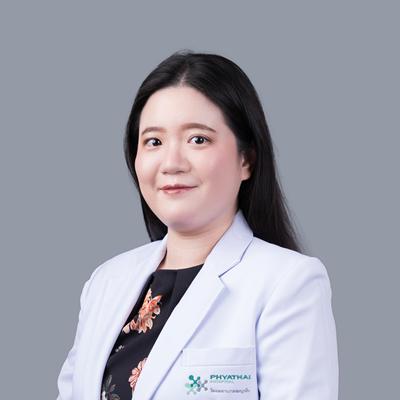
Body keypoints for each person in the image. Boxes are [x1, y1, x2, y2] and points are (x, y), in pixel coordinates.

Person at [56, 50, 339, 400]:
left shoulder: (288, 283)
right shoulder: (105, 282)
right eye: (154, 142)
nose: (171, 163)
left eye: (198, 139)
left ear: (246, 159)